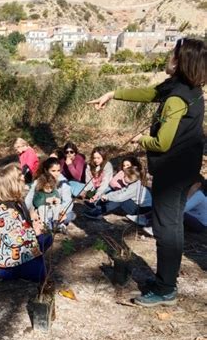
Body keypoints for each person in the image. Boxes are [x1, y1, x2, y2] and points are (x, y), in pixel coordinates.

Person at [88, 37, 206, 307]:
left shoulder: (177, 98)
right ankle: (167, 281)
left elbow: (162, 142)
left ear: (181, 61)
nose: (168, 57)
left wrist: (140, 141)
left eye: (173, 54)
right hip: (185, 168)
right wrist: (113, 94)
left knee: (166, 227)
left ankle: (165, 289)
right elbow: (151, 93)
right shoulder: (185, 88)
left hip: (172, 171)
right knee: (172, 224)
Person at [0, 163, 51, 283]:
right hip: (9, 258)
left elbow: (21, 223)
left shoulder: (17, 202)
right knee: (42, 273)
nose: (24, 179)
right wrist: (33, 231)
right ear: (12, 187)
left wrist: (32, 220)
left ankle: (30, 263)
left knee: (47, 238)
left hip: (22, 247)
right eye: (20, 179)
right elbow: (13, 240)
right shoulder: (4, 213)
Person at [84, 166, 152, 219]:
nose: (123, 177)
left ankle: (99, 211)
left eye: (125, 176)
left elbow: (120, 197)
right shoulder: (134, 183)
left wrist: (108, 197)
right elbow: (120, 192)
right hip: (138, 206)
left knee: (121, 200)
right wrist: (107, 196)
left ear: (130, 178)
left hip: (142, 211)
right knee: (114, 193)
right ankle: (97, 205)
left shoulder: (135, 187)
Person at [33, 158, 74, 231]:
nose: (56, 173)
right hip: (43, 211)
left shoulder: (63, 182)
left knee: (70, 215)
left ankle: (55, 224)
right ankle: (50, 225)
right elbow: (34, 200)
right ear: (46, 170)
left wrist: (63, 212)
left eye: (58, 170)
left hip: (57, 212)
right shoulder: (40, 181)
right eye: (53, 171)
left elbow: (68, 201)